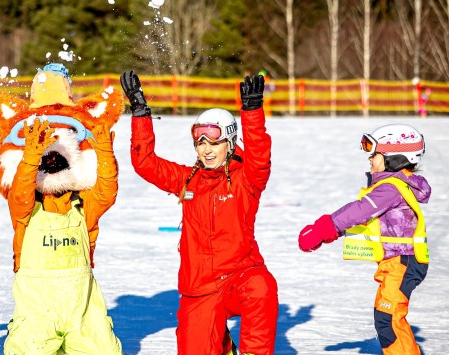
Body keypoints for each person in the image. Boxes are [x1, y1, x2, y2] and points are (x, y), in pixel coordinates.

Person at [122, 71, 278, 355]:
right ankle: (221, 344)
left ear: (230, 143)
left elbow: (259, 157)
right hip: (200, 288)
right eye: (200, 143)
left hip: (239, 276)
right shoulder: (188, 180)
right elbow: (145, 164)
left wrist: (252, 113)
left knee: (262, 288)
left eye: (213, 142)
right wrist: (140, 113)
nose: (205, 150)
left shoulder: (247, 180)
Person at [0, 63, 123, 354]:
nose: (52, 164)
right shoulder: (26, 209)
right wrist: (32, 155)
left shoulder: (83, 207)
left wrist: (104, 151)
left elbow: (107, 190)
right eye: (46, 161)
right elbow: (20, 190)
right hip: (37, 309)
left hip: (83, 308)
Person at [298, 123, 430, 355]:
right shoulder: (394, 185)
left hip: (403, 262)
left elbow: (359, 211)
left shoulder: (390, 189)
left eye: (375, 153)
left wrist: (322, 230)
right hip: (397, 263)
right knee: (385, 315)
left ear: (395, 157)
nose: (369, 158)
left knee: (388, 318)